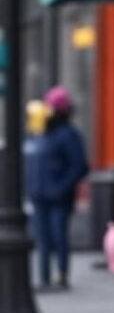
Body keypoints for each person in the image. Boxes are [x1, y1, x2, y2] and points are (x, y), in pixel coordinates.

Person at [25, 85, 89, 290]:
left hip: (59, 198)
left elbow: (79, 166)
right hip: (39, 196)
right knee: (42, 239)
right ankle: (44, 278)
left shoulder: (68, 135)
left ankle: (61, 276)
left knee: (58, 236)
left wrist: (61, 188)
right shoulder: (40, 133)